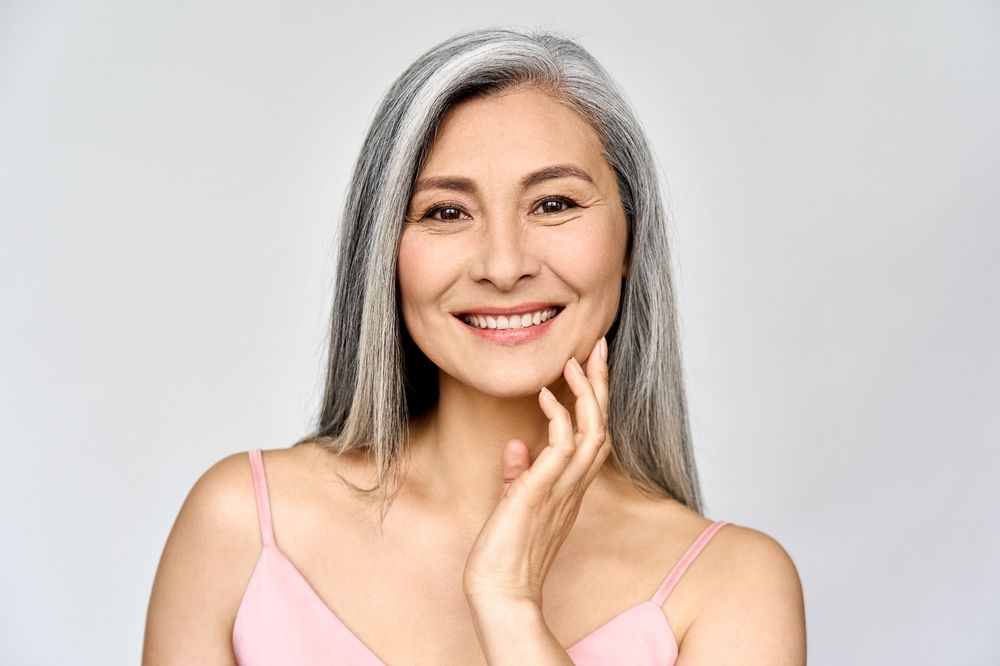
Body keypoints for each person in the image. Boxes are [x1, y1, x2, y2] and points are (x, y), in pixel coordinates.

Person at [143, 27, 806, 665]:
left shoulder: (733, 586)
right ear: (385, 253)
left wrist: (509, 604)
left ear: (630, 239)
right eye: (446, 212)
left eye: (554, 204)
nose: (503, 265)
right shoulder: (241, 526)